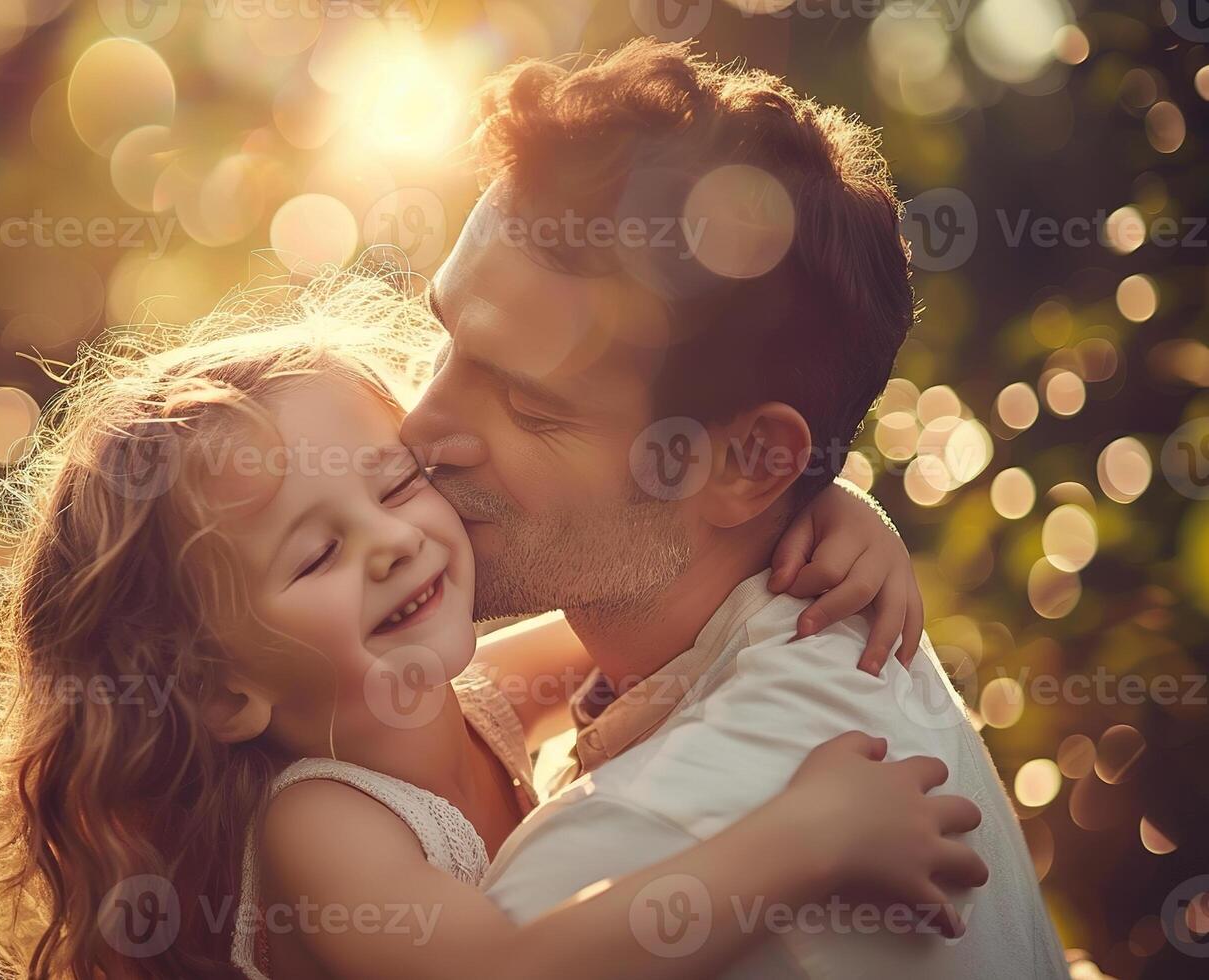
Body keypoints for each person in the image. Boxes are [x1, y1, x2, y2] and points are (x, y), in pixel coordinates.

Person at [0, 274, 981, 980]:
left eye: (390, 487)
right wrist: (811, 837)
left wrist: (829, 507)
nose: (388, 543)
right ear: (219, 689)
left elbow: (675, 585)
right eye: (314, 552)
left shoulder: (463, 691)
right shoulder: (320, 829)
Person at [397, 38, 1069, 978]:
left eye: (528, 404)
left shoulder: (628, 857)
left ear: (752, 465)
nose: (419, 430)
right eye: (445, 341)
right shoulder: (786, 648)